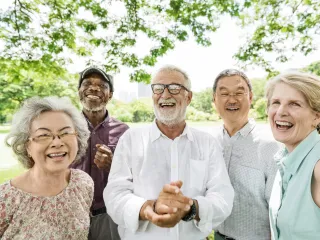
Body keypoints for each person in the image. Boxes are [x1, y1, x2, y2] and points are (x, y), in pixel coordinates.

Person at [103, 65, 234, 240]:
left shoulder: (207, 143)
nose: (165, 95)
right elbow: (115, 195)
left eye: (174, 88)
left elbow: (223, 197)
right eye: (158, 88)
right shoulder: (130, 140)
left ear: (188, 97)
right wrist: (148, 209)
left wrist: (191, 208)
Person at [266, 71, 320, 240]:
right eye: (276, 102)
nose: (281, 111)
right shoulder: (285, 160)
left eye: (294, 104)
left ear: (317, 116)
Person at [0, 96, 93, 239]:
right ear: (27, 146)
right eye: (43, 135)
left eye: (65, 132)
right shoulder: (6, 198)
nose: (57, 142)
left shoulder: (83, 183)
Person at [211, 69, 280, 240]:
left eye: (239, 93)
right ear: (214, 100)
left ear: (250, 97)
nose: (232, 99)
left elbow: (278, 210)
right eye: (224, 93)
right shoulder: (209, 142)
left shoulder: (271, 146)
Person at [72, 66, 129, 240]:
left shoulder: (124, 131)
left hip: (108, 214)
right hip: (71, 212)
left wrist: (114, 165)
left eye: (102, 85)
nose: (94, 88)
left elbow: (135, 176)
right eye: (87, 83)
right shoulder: (65, 127)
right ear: (79, 91)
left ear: (110, 94)